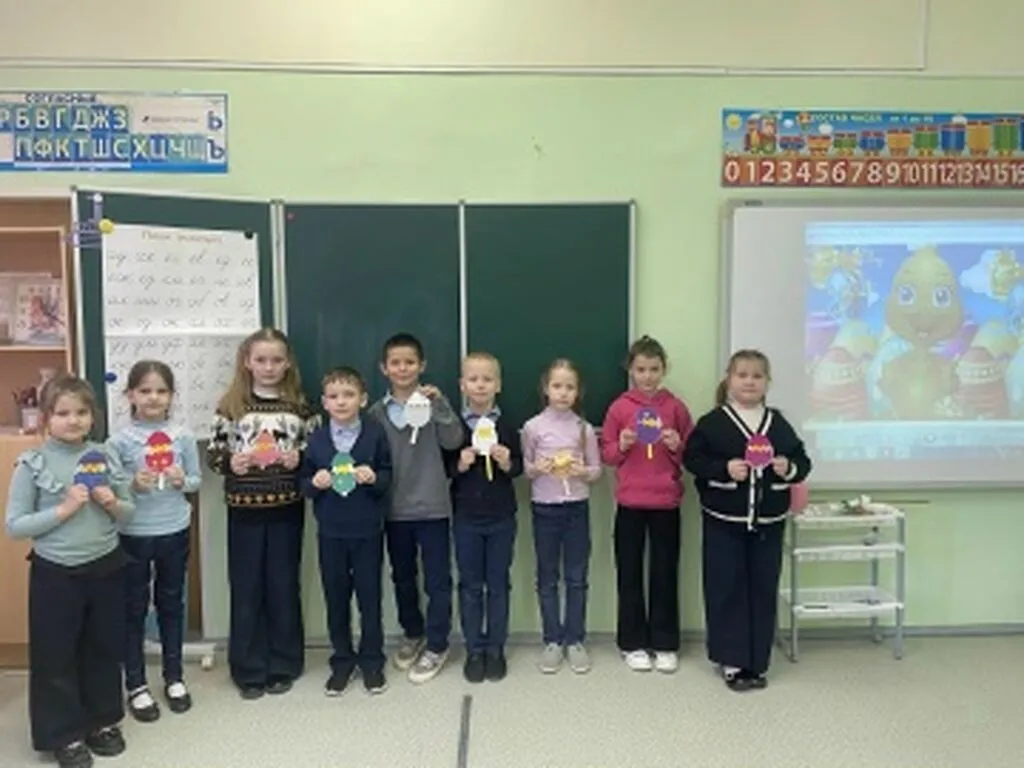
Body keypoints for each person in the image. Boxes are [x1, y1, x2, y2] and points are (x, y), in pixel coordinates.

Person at [4, 374, 135, 768]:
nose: (73, 420)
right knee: (56, 655)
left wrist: (111, 503)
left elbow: (128, 514)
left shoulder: (104, 456)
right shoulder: (33, 464)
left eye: (81, 412)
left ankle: (101, 721)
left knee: (102, 648)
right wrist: (63, 510)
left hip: (106, 565)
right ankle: (64, 733)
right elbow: (15, 526)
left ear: (93, 416)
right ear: (46, 418)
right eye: (62, 413)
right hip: (56, 573)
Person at [683, 349, 812, 691]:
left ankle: (757, 660)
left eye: (757, 376)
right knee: (726, 587)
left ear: (767, 382)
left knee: (762, 588)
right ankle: (732, 660)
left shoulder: (777, 423)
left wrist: (789, 467)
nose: (749, 382)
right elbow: (693, 459)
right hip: (724, 521)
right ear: (729, 380)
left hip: (769, 523)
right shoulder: (714, 423)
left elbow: (802, 461)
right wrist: (724, 469)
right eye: (742, 375)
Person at [207, 328, 319, 700]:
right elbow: (215, 455)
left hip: (287, 507)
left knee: (283, 585)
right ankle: (248, 668)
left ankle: (284, 664)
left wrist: (300, 458)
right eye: (261, 360)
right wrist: (231, 462)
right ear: (247, 362)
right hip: (244, 510)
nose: (268, 367)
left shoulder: (301, 407)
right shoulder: (231, 406)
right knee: (247, 587)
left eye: (276, 360)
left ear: (287, 364)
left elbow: (317, 451)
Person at [107, 360, 202, 722]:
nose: (153, 397)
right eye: (145, 390)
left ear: (172, 396)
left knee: (171, 603)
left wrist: (181, 480)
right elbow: (112, 491)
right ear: (130, 395)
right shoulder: (118, 442)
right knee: (133, 607)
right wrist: (132, 484)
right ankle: (136, 684)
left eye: (161, 391)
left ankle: (174, 677)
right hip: (132, 534)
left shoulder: (182, 436)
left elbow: (196, 481)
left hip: (174, 530)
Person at [368, 332, 464, 683]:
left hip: (433, 507)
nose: (403, 368)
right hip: (394, 509)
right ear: (384, 368)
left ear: (422, 365)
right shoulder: (376, 414)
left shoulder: (434, 405)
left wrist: (441, 407)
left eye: (409, 362)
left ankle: (438, 644)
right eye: (395, 363)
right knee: (403, 577)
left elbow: (454, 441)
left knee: (438, 580)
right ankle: (413, 632)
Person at [600, 335, 694, 673]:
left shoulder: (675, 407)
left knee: (665, 573)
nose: (648, 376)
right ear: (631, 370)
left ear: (663, 369)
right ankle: (632, 642)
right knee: (630, 574)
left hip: (666, 502)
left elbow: (692, 454)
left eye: (654, 369)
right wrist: (623, 444)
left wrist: (676, 444)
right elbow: (607, 454)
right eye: (641, 369)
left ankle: (665, 642)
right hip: (630, 503)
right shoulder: (620, 408)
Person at [300, 366, 392, 696]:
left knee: (370, 599)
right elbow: (303, 484)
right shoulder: (316, 440)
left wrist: (374, 477)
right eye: (334, 396)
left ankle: (372, 661)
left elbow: (387, 475)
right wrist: (315, 482)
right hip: (331, 533)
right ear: (324, 402)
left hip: (367, 530)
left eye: (349, 395)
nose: (341, 402)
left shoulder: (374, 434)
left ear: (363, 400)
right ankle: (342, 661)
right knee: (336, 598)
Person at [521, 359, 601, 674]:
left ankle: (575, 639)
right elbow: (526, 470)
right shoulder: (533, 427)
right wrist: (538, 468)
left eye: (570, 387)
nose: (563, 392)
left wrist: (583, 471)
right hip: (545, 508)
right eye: (557, 386)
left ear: (578, 392)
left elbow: (596, 471)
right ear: (546, 389)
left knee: (576, 578)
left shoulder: (583, 429)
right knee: (547, 577)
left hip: (576, 508)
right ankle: (552, 639)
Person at [447, 352, 523, 683]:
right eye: (473, 379)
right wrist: (460, 464)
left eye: (487, 379)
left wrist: (507, 462)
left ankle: (495, 649)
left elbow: (519, 467)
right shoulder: (453, 428)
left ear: (498, 385)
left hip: (501, 517)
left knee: (498, 584)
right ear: (462, 385)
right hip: (466, 517)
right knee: (470, 585)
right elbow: (445, 469)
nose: (480, 385)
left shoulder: (507, 426)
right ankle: (474, 649)